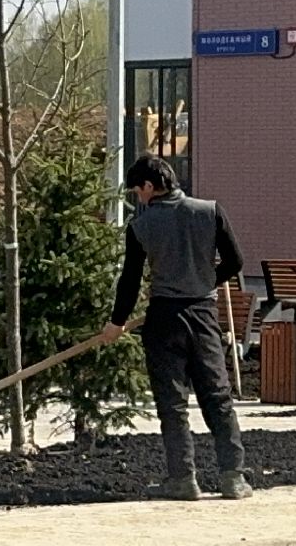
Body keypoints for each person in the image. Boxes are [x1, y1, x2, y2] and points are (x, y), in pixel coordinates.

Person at [99, 155, 249, 501]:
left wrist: (116, 323)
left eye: (138, 191)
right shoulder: (210, 211)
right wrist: (204, 280)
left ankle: (183, 479)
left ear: (150, 187)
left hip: (164, 318)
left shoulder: (142, 226)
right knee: (217, 397)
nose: (139, 198)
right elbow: (237, 262)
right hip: (204, 315)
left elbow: (131, 280)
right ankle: (233, 478)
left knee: (172, 402)